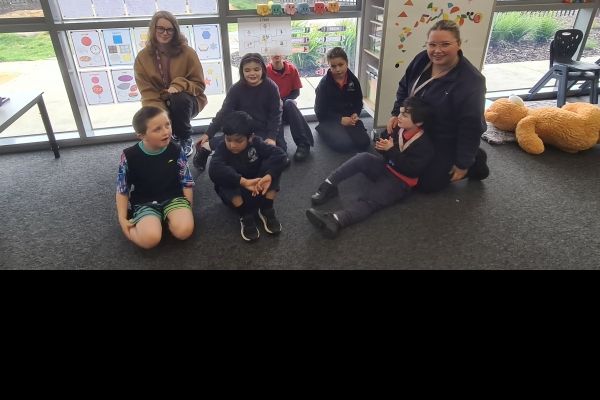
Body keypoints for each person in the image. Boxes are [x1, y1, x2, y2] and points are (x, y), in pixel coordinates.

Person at [306, 97, 434, 238]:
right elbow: (382, 142)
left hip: (401, 182)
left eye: (404, 115)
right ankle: (328, 185)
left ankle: (336, 220)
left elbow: (412, 170)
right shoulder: (399, 128)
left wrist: (390, 150)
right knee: (362, 158)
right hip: (387, 167)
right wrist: (381, 146)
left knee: (371, 199)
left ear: (419, 122)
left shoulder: (424, 145)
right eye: (400, 112)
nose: (399, 116)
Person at [388, 20, 489, 194]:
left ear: (458, 44)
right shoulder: (421, 60)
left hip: (443, 137)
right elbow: (404, 87)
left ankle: (475, 160)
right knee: (384, 147)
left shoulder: (472, 81)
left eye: (445, 44)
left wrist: (463, 163)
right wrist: (397, 113)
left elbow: (471, 126)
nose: (437, 50)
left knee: (426, 184)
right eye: (432, 44)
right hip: (415, 127)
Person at [116, 107, 195, 249]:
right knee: (150, 240)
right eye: (157, 129)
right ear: (141, 135)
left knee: (185, 231)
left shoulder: (176, 150)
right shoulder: (129, 156)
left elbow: (186, 181)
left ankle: (164, 220)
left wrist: (188, 207)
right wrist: (122, 219)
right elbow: (122, 189)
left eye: (167, 124)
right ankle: (149, 224)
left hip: (173, 197)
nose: (166, 131)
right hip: (144, 201)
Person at [194, 53, 284, 172]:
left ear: (263, 69)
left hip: (263, 128)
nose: (252, 73)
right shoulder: (236, 89)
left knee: (278, 154)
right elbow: (224, 112)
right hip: (242, 128)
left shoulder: (271, 87)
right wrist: (208, 133)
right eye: (247, 70)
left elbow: (276, 115)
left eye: (256, 69)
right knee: (236, 143)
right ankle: (205, 148)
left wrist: (272, 137)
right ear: (242, 71)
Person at [134, 11, 207, 157]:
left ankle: (185, 137)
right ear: (153, 29)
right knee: (149, 117)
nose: (165, 33)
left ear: (175, 31)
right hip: (156, 101)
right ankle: (168, 137)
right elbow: (147, 92)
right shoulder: (142, 57)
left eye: (169, 29)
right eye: (160, 28)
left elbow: (199, 85)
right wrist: (161, 114)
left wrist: (179, 84)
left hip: (187, 101)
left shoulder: (188, 53)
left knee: (178, 98)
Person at [209, 111, 289, 243]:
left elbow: (280, 155)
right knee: (224, 177)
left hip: (258, 188)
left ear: (250, 137)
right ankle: (245, 216)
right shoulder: (222, 149)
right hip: (238, 194)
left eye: (238, 141)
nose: (232, 145)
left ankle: (267, 209)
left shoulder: (256, 142)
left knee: (274, 169)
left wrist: (269, 175)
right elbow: (214, 169)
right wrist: (242, 181)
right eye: (228, 139)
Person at [314, 47, 370, 153]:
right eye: (333, 66)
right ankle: (323, 129)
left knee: (364, 143)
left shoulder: (353, 80)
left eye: (341, 64)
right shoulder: (324, 84)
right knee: (344, 145)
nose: (338, 69)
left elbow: (358, 101)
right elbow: (320, 112)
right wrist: (340, 120)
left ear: (347, 63)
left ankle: (348, 131)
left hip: (349, 118)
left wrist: (355, 113)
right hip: (330, 119)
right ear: (329, 66)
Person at [267, 55, 314, 162]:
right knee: (276, 109)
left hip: (287, 105)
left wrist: (282, 102)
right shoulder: (265, 71)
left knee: (290, 103)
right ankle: (281, 147)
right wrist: (277, 104)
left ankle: (303, 143)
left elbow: (296, 92)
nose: (276, 54)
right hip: (273, 108)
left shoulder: (292, 69)